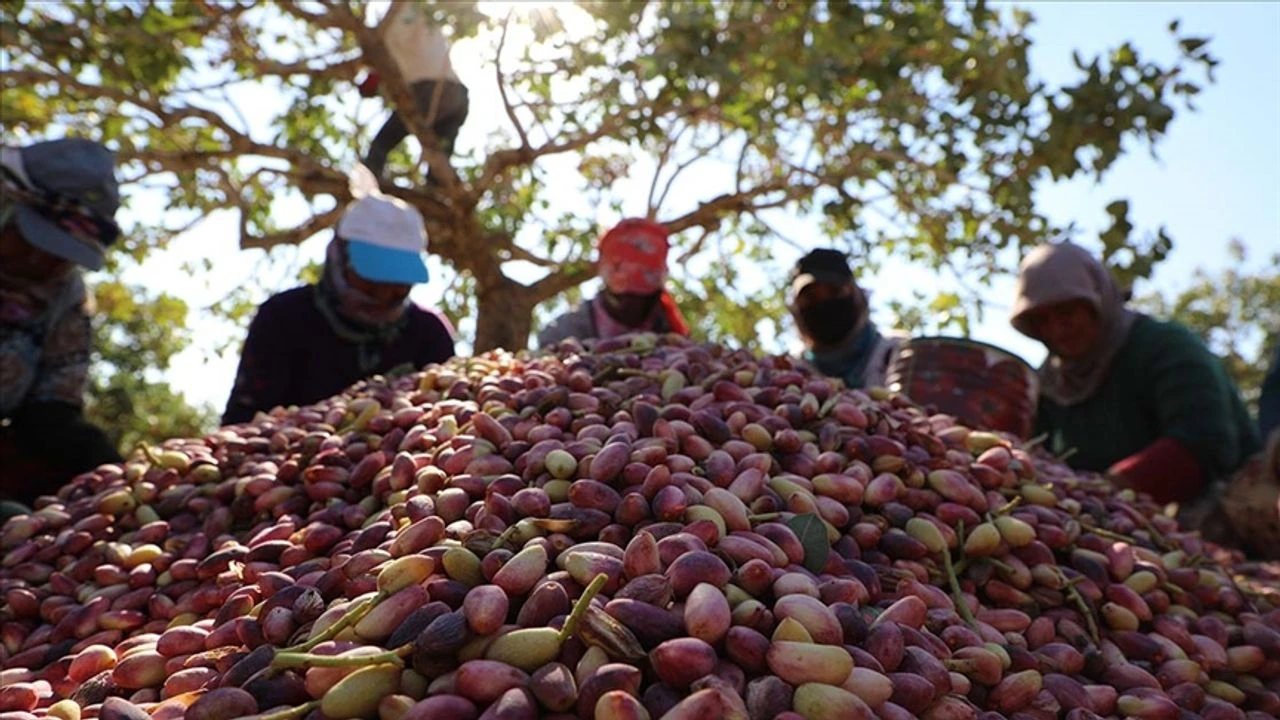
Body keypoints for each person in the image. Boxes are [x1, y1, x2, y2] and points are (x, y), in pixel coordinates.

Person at [1011, 242, 1267, 551]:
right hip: (1114, 520)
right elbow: (1037, 457)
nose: (1056, 329)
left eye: (1067, 313)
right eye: (1042, 320)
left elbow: (1205, 441)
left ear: (1097, 301)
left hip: (1230, 508)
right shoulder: (1050, 384)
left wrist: (1106, 491)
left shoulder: (1163, 347)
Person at [223, 188, 456, 425]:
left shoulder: (429, 333)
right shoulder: (285, 317)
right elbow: (242, 420)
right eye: (371, 279)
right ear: (338, 257)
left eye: (398, 284)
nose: (384, 294)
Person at [0, 138, 124, 515]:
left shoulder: (64, 297)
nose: (40, 260)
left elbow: (49, 415)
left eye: (59, 254)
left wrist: (110, 472)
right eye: (30, 239)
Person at [360, 3, 470, 184]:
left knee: (381, 144)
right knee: (439, 161)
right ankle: (437, 190)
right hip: (457, 96)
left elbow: (373, 80)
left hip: (426, 91)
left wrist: (367, 85)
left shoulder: (389, 28)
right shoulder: (426, 11)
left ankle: (369, 186)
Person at [537, 218, 689, 348]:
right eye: (623, 298)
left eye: (641, 300)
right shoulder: (563, 332)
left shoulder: (673, 334)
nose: (631, 307)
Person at [788, 248, 904, 389]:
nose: (824, 304)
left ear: (856, 294)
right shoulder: (790, 371)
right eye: (811, 297)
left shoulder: (900, 354)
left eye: (834, 291)